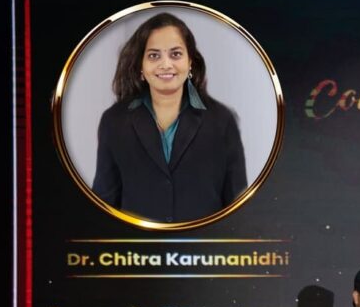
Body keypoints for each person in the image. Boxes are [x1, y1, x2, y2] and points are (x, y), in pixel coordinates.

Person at [92, 12, 246, 222]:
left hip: (204, 242)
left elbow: (238, 206)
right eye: (154, 55)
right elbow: (104, 203)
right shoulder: (114, 121)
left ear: (190, 62)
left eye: (175, 54)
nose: (166, 64)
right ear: (140, 65)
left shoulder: (221, 120)